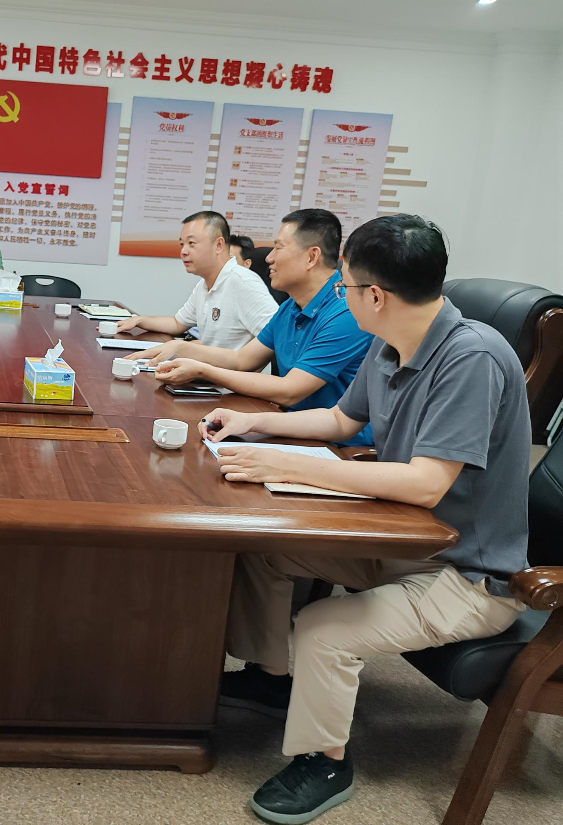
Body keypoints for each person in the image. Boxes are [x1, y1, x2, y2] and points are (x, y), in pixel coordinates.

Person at [200, 215, 529, 824]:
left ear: (374, 295)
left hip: (469, 575)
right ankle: (271, 678)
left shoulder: (472, 358)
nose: (339, 294)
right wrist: (254, 423)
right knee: (263, 547)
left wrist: (290, 465)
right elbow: (340, 422)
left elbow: (427, 484)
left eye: (344, 285)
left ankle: (326, 763)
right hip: (403, 542)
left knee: (324, 628)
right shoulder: (391, 339)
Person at [132, 209, 374, 446]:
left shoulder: (345, 312)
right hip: (287, 424)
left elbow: (290, 390)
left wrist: (203, 371)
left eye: (278, 248)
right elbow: (242, 360)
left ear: (311, 257)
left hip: (337, 446)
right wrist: (181, 350)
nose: (268, 258)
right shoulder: (291, 306)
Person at [116, 211, 277, 350]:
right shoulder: (204, 284)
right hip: (205, 370)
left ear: (218, 245)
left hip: (228, 376)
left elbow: (276, 336)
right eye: (182, 244)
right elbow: (177, 323)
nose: (183, 251)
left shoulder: (244, 282)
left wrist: (245, 365)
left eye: (191, 243)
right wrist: (140, 320)